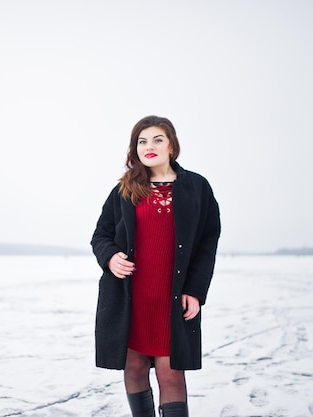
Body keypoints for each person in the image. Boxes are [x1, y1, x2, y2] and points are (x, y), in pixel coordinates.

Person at [91, 115, 221, 417]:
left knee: (171, 373)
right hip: (130, 298)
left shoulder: (197, 188)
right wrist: (110, 256)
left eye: (157, 139)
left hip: (172, 299)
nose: (149, 146)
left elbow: (207, 242)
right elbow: (101, 235)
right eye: (142, 141)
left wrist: (196, 290)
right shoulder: (125, 189)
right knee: (134, 368)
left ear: (171, 145)